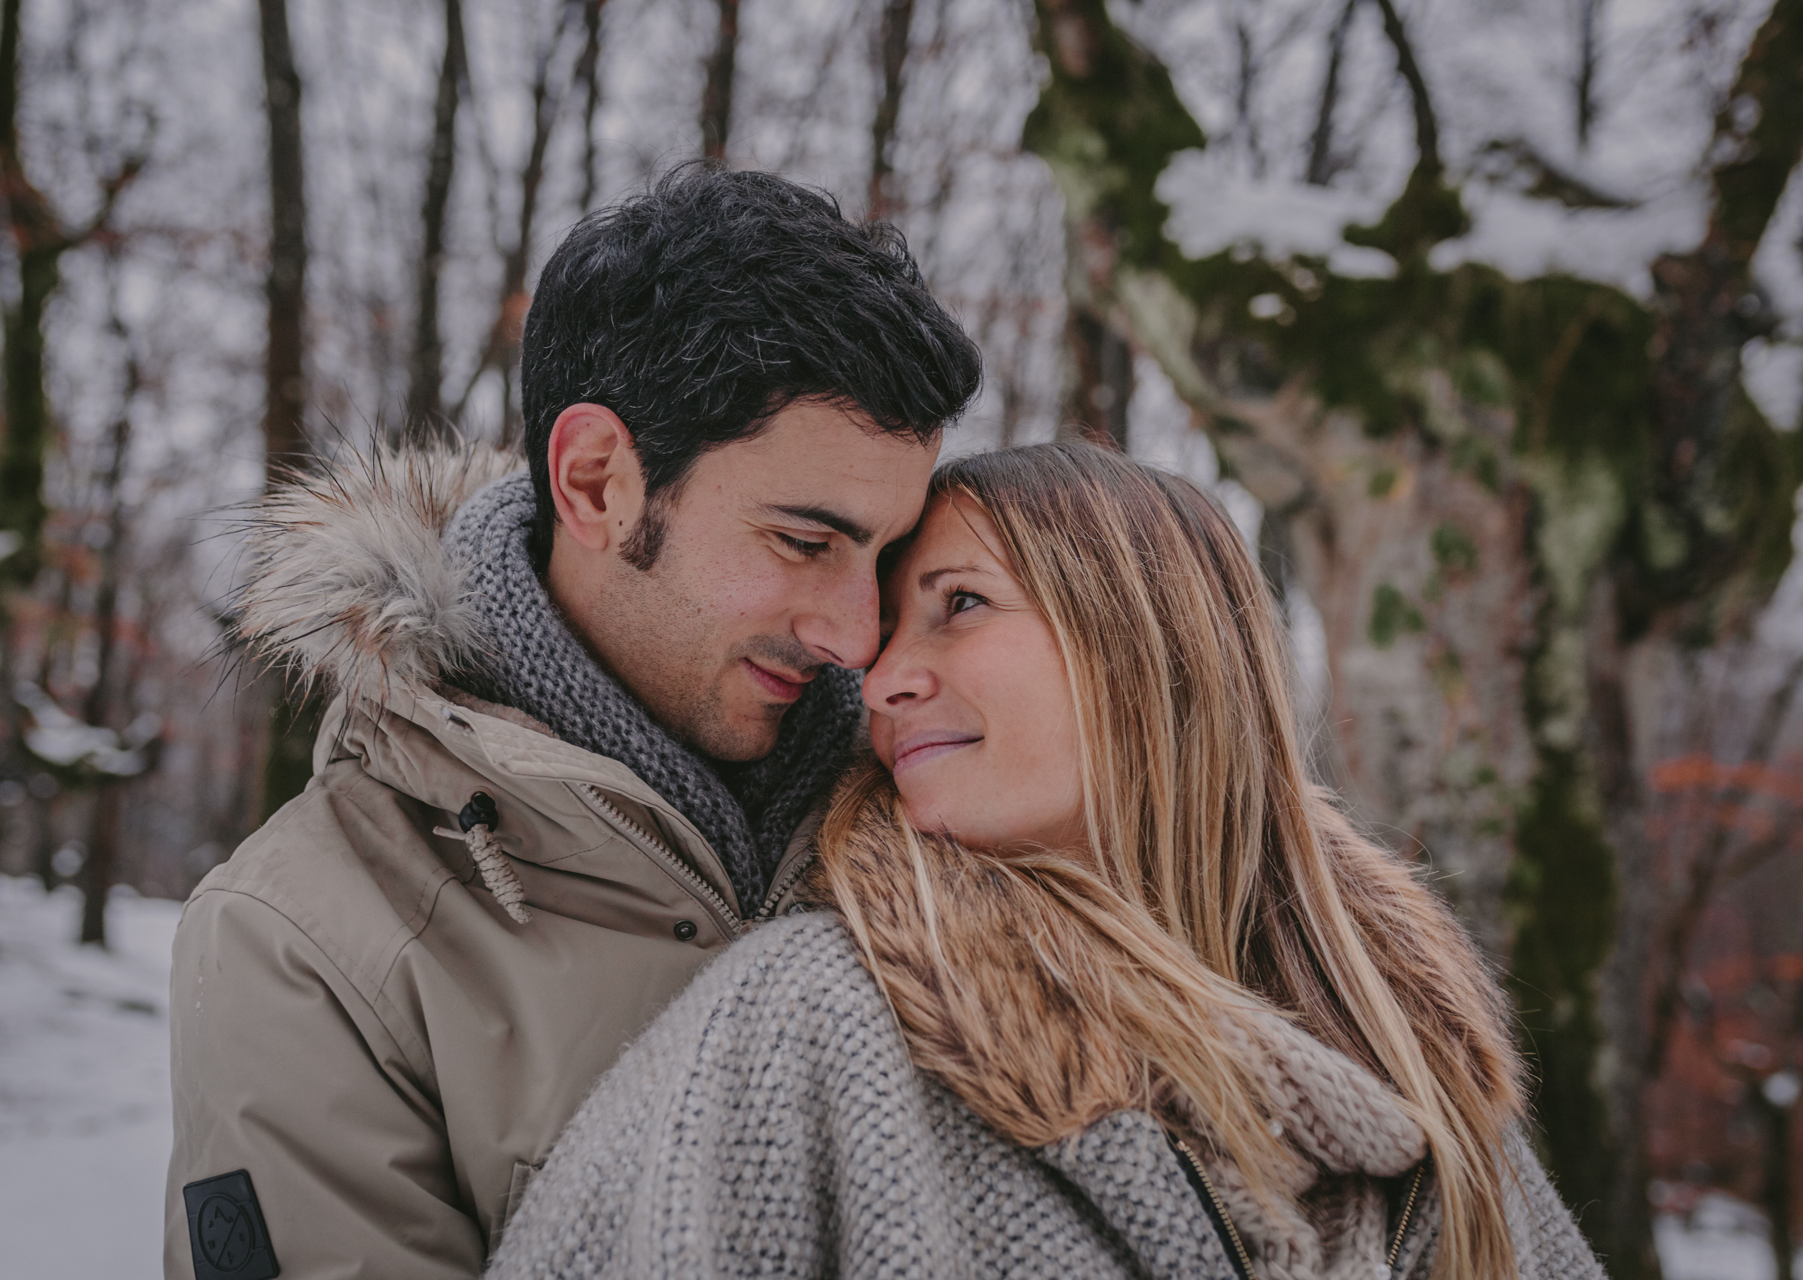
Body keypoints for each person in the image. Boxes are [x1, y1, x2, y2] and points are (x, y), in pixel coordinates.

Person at [489, 442, 1605, 1280]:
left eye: (959, 604)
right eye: (887, 634)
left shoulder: (1415, 1053)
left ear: (1151, 640)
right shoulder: (809, 1021)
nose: (878, 682)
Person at [163, 167, 982, 1280]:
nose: (854, 632)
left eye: (888, 555)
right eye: (804, 541)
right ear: (597, 481)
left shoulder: (943, 806)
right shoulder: (306, 939)